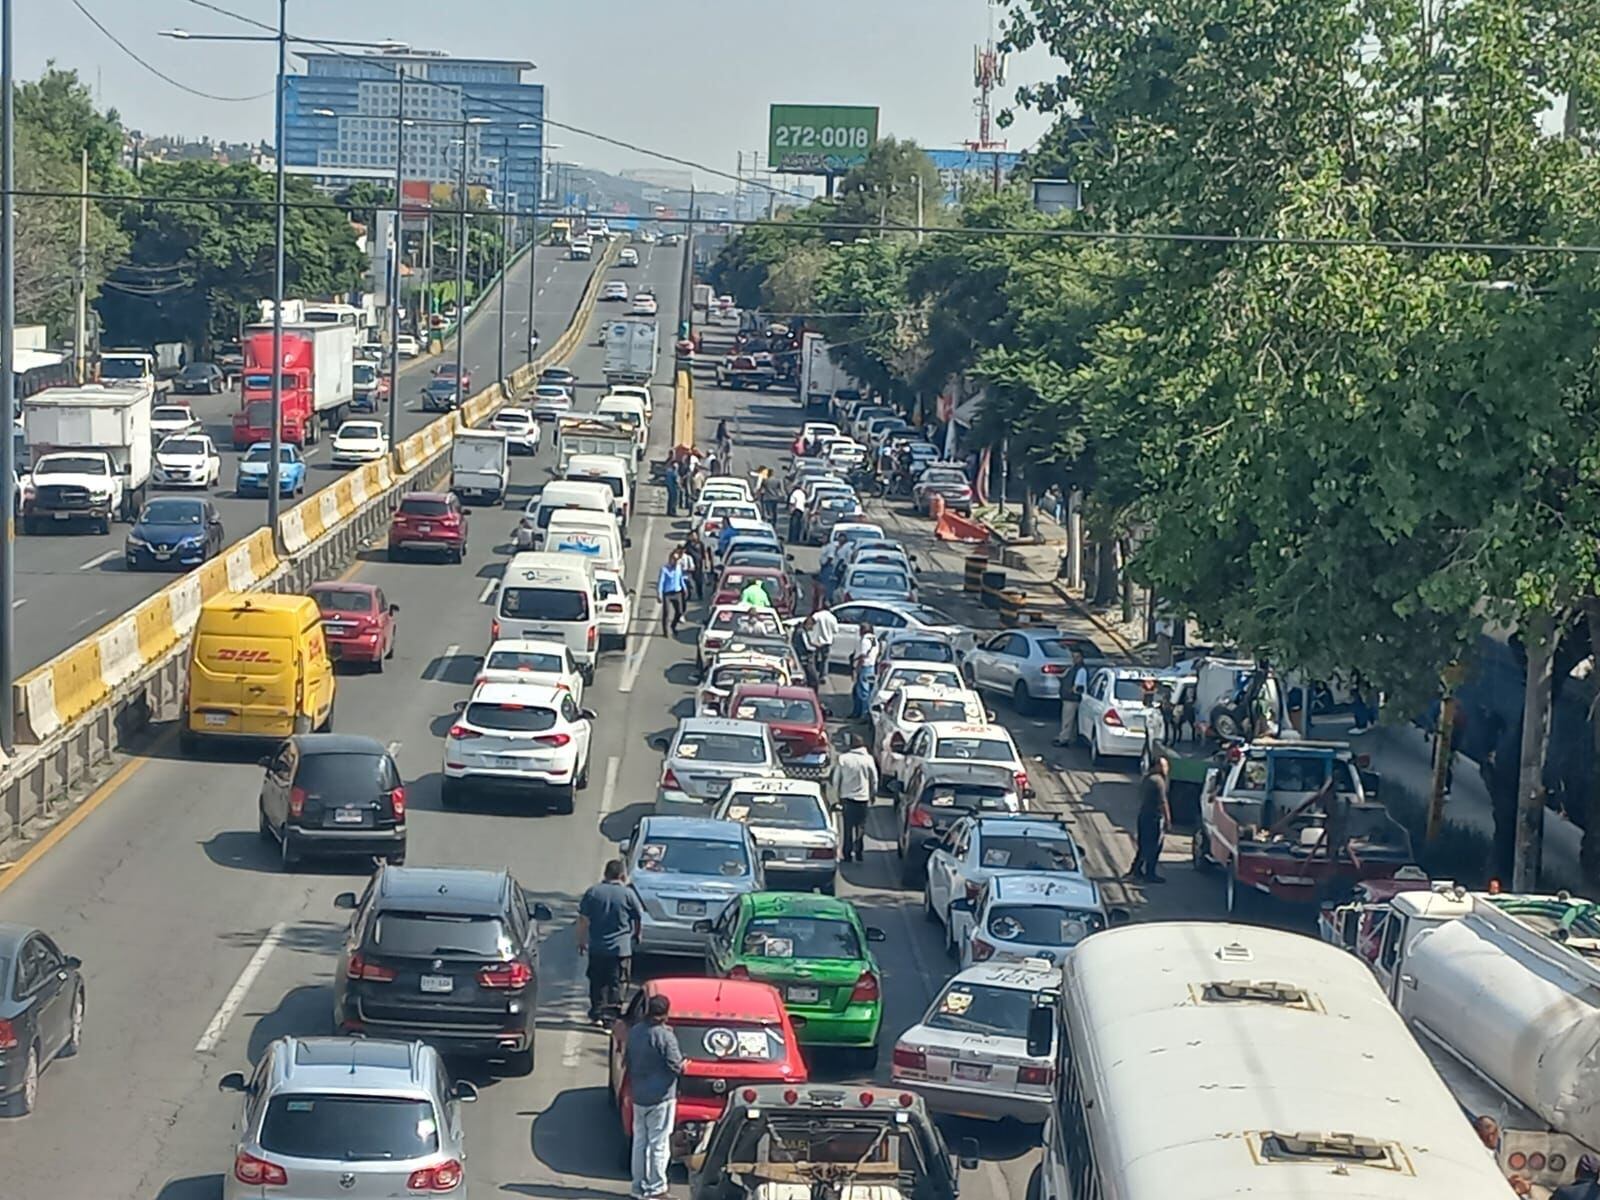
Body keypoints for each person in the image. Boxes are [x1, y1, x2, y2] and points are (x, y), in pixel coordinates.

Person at [625, 993, 685, 1200]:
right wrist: (686, 1065)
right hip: (661, 1098)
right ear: (666, 1013)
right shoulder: (666, 1036)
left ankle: (638, 1187)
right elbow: (676, 1066)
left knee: (640, 1142)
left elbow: (628, 1060)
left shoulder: (635, 1032)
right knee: (658, 1144)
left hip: (639, 1095)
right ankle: (656, 1188)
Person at [576, 859, 644, 1023]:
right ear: (622, 875)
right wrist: (637, 934)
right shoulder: (628, 894)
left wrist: (582, 940)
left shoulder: (593, 892)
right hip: (620, 950)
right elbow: (639, 916)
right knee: (617, 983)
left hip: (597, 948)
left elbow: (583, 920)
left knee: (597, 981)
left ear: (605, 873)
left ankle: (596, 1012)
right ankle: (611, 1017)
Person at [833, 732, 878, 862]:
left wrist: (837, 797)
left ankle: (847, 854)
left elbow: (836, 780)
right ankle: (859, 851)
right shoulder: (868, 759)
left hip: (847, 798)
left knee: (847, 828)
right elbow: (874, 779)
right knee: (861, 826)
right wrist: (873, 794)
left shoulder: (843, 759)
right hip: (863, 798)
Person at [1128, 757, 1170, 883]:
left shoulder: (1147, 778)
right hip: (1154, 818)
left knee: (1143, 845)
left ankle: (1136, 869)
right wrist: (1168, 819)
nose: (1167, 769)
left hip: (1144, 816)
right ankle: (1150, 873)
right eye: (1165, 766)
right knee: (1154, 847)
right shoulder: (1158, 781)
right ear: (1157, 766)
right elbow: (1163, 802)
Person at [1054, 649, 1090, 747]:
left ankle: (1064, 739)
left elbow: (1079, 686)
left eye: (1077, 657)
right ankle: (1071, 739)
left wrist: (1071, 690)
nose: (1075, 659)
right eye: (1073, 657)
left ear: (1082, 658)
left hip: (1072, 699)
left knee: (1067, 720)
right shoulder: (1073, 668)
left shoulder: (1081, 670)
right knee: (1072, 721)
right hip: (1070, 698)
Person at [657, 548, 689, 636]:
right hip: (667, 593)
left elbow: (680, 578)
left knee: (679, 611)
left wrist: (684, 588)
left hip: (677, 592)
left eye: (676, 560)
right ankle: (665, 631)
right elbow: (661, 582)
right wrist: (659, 594)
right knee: (666, 612)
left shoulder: (678, 568)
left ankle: (673, 626)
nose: (675, 562)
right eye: (674, 560)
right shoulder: (664, 569)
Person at [851, 625, 880, 719]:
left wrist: (856, 668)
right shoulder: (874, 639)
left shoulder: (864, 641)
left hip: (865, 667)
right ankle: (857, 712)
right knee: (862, 691)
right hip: (871, 666)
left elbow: (863, 657)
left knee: (863, 692)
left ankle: (863, 714)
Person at [808, 605, 838, 682]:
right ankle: (823, 676)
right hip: (827, 641)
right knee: (825, 660)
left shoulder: (817, 615)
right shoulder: (832, 618)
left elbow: (811, 622)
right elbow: (835, 630)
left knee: (813, 658)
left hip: (816, 640)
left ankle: (812, 674)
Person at [681, 530, 707, 600]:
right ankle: (688, 595)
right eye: (692, 536)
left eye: (694, 535)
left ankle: (700, 594)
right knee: (688, 581)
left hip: (699, 565)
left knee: (699, 581)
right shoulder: (688, 545)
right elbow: (683, 552)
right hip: (689, 566)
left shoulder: (700, 544)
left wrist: (705, 564)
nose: (693, 537)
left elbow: (704, 555)